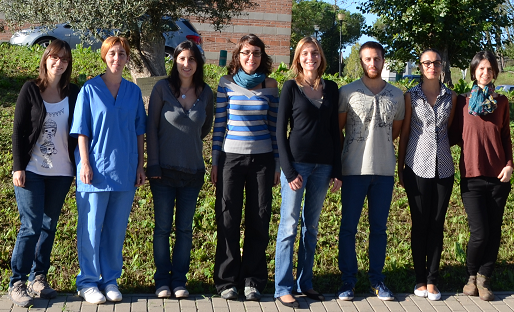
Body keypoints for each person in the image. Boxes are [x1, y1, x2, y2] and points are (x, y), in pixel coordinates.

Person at [70, 36, 147, 304]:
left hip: (124, 170)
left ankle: (110, 279)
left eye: (122, 54)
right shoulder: (90, 90)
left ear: (127, 58)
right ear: (104, 56)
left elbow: (139, 131)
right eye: (112, 53)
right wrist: (85, 163)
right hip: (94, 171)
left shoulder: (133, 92)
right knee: (90, 228)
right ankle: (88, 281)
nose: (117, 58)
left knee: (115, 230)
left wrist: (140, 165)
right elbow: (82, 131)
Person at [9, 39, 79, 308]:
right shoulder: (30, 89)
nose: (58, 63)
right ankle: (17, 281)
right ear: (46, 59)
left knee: (49, 226)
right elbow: (17, 130)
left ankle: (39, 278)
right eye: (54, 57)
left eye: (64, 59)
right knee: (31, 225)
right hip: (32, 170)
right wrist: (18, 167)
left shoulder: (73, 92)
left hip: (61, 171)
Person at [274, 36, 342, 308]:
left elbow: (336, 133)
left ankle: (305, 283)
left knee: (311, 228)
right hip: (297, 166)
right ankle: (282, 287)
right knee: (289, 226)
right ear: (298, 59)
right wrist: (289, 171)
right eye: (305, 54)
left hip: (323, 167)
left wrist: (337, 170)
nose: (310, 58)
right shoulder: (290, 87)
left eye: (314, 53)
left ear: (320, 57)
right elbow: (280, 132)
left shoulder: (332, 88)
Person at [211, 34, 280, 301]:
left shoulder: (271, 85)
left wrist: (276, 164)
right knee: (227, 219)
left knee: (259, 219)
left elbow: (275, 129)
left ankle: (253, 280)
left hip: (262, 162)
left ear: (263, 56)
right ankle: (226, 281)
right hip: (231, 160)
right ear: (238, 56)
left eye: (257, 53)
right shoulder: (226, 84)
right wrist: (215, 161)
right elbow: (219, 126)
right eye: (246, 52)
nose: (251, 57)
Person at [337, 41, 405, 301]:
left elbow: (395, 132)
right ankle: (348, 280)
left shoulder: (397, 95)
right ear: (361, 61)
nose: (372, 64)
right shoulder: (347, 92)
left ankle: (377, 279)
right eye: (367, 59)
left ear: (383, 60)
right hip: (353, 170)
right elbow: (339, 130)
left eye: (376, 59)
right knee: (348, 228)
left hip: (384, 171)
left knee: (379, 229)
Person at [147, 40, 213, 299]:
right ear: (175, 61)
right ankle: (162, 281)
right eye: (182, 58)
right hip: (162, 172)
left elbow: (205, 128)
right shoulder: (162, 88)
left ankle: (179, 282)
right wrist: (152, 163)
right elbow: (151, 127)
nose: (187, 64)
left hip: (192, 173)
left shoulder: (206, 92)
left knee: (185, 230)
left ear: (198, 63)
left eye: (192, 59)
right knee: (162, 228)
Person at [450, 51, 512, 301]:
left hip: (499, 176)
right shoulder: (463, 103)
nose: (485, 73)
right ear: (474, 72)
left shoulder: (503, 102)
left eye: (489, 69)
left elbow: (505, 137)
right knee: (480, 233)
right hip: (472, 176)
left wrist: (509, 164)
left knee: (494, 231)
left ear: (495, 72)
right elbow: (451, 136)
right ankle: (471, 276)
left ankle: (485, 279)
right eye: (481, 69)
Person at [397, 49, 457, 301]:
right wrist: (400, 169)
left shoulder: (451, 97)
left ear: (441, 66)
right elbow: (405, 133)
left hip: (443, 168)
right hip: (416, 166)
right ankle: (419, 279)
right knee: (420, 224)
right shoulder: (411, 96)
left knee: (436, 224)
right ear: (420, 67)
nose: (431, 66)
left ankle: (433, 280)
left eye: (436, 63)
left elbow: (449, 130)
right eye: (426, 63)